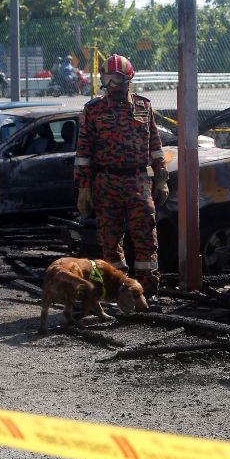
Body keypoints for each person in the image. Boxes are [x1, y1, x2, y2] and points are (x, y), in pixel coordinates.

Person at [74, 53, 167, 301]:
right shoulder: (93, 110)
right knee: (110, 240)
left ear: (129, 79)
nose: (112, 84)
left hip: (138, 181)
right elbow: (83, 153)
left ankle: (148, 291)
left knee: (146, 236)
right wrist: (84, 190)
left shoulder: (143, 107)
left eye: (118, 78)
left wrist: (161, 178)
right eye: (108, 78)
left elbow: (156, 146)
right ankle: (119, 290)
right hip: (106, 183)